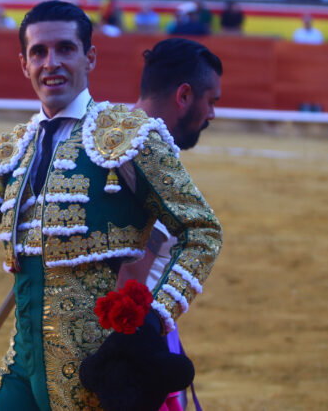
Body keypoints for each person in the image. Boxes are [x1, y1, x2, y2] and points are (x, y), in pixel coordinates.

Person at [0, 0, 222, 411]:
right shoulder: (13, 151)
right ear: (23, 64)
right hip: (23, 368)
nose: (52, 63)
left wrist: (156, 317)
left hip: (99, 375)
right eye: (39, 52)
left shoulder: (129, 136)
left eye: (65, 49)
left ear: (90, 57)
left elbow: (202, 230)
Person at [119, 38, 222, 411]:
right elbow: (130, 267)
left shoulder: (117, 139)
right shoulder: (143, 152)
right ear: (184, 95)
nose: (212, 114)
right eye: (211, 101)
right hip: (130, 339)